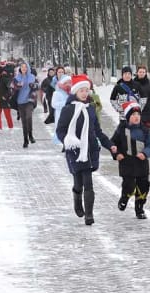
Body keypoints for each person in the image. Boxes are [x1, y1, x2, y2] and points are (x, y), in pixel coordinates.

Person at [56, 74, 117, 225]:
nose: (84, 93)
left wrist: (110, 145)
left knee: (88, 183)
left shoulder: (91, 108)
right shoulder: (68, 110)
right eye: (81, 90)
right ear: (75, 92)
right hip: (75, 150)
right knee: (78, 183)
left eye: (86, 90)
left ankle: (89, 215)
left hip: (89, 150)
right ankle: (77, 198)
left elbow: (97, 131)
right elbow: (60, 130)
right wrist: (67, 140)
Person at [111, 100, 150, 219]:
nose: (136, 117)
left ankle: (139, 209)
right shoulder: (121, 129)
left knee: (143, 186)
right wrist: (117, 154)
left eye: (138, 115)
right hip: (127, 163)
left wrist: (145, 153)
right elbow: (113, 144)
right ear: (128, 116)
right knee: (129, 185)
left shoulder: (145, 130)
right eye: (133, 115)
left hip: (141, 163)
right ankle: (124, 197)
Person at [14, 61, 38, 148]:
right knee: (24, 122)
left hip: (29, 100)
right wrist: (17, 85)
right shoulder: (17, 77)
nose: (24, 68)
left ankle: (31, 135)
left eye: (25, 67)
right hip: (20, 101)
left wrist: (33, 85)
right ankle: (25, 140)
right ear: (20, 68)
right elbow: (12, 88)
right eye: (22, 67)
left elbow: (37, 86)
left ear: (28, 68)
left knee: (29, 117)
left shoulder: (32, 77)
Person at [134, 65, 150, 130]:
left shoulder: (148, 83)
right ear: (137, 73)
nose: (141, 73)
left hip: (147, 111)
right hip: (136, 110)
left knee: (146, 132)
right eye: (140, 72)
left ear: (145, 73)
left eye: (143, 72)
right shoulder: (133, 83)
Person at [0, 66, 14, 133]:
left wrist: (5, 96)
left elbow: (10, 89)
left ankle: (11, 127)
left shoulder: (5, 78)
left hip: (4, 99)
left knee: (7, 114)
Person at [52, 74, 71, 144]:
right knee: (62, 131)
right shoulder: (57, 93)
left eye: (70, 82)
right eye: (66, 83)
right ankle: (64, 144)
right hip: (60, 115)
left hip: (71, 115)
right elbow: (54, 104)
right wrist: (66, 103)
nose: (68, 85)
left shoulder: (73, 93)